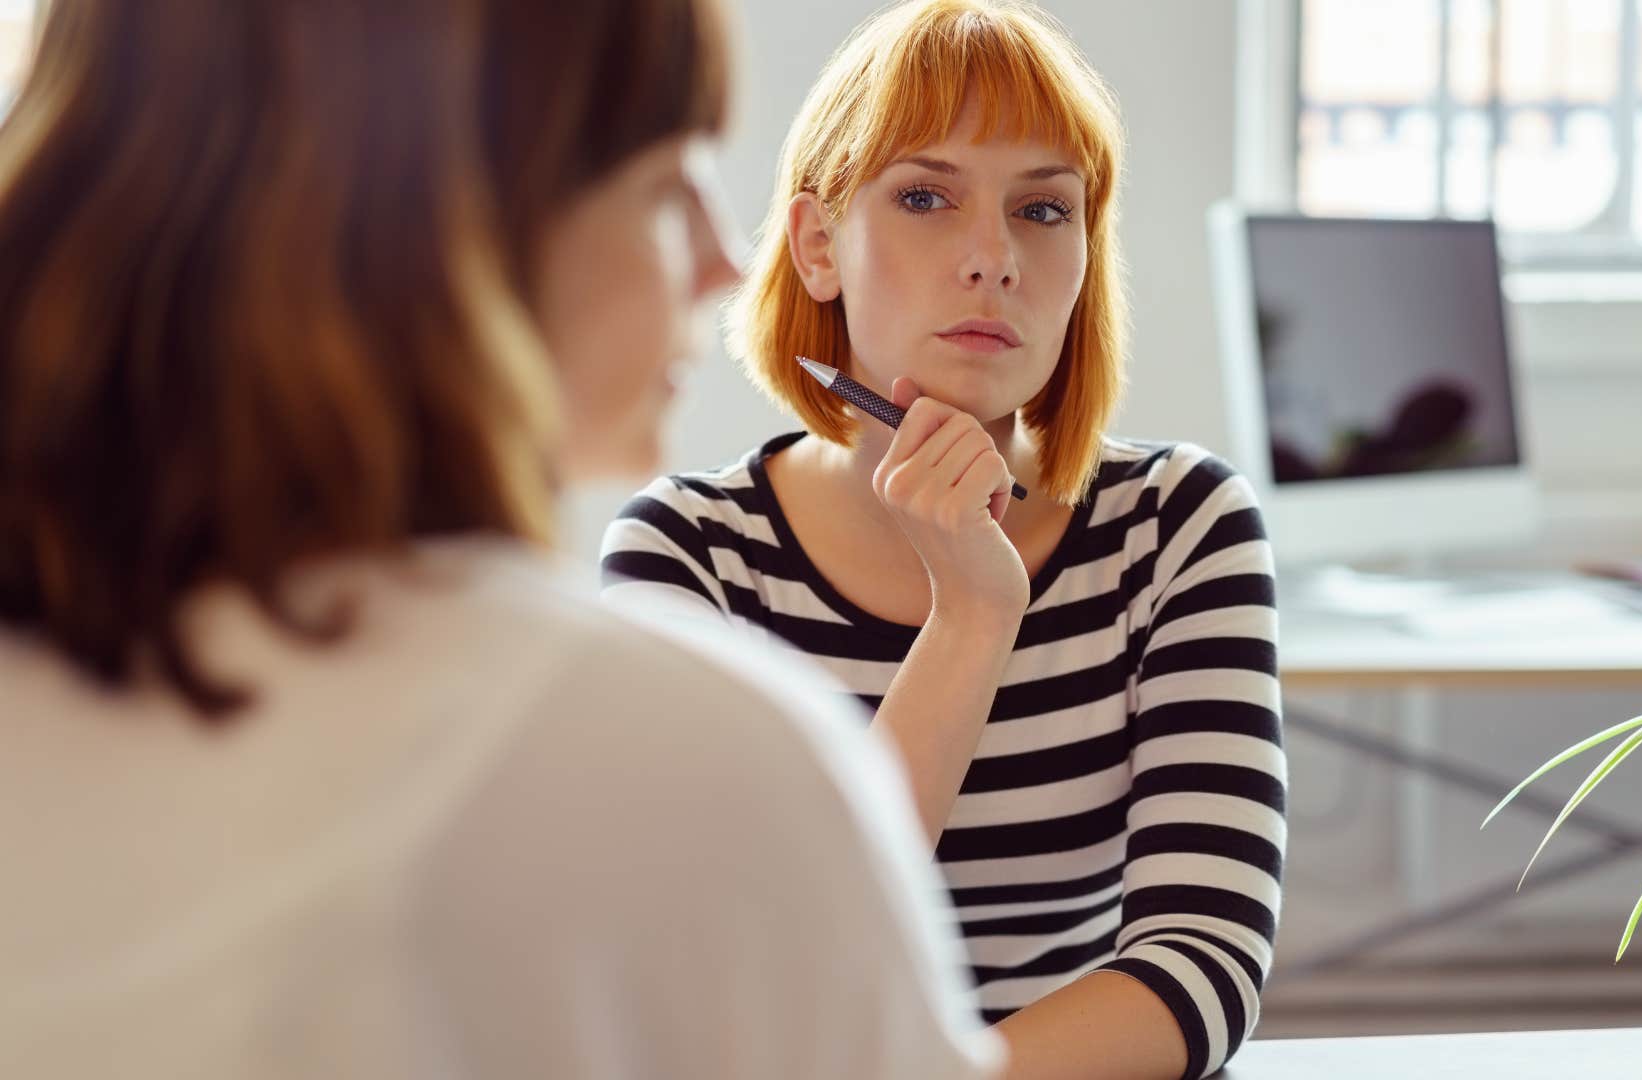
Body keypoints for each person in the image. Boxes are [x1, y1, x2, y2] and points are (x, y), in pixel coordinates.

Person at [0, 2, 1004, 1078]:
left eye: (1047, 211)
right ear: (445, 227)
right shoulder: (687, 754)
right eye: (667, 184)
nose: (722, 261)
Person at [600, 2, 1286, 1076]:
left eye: (1045, 211)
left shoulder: (1178, 524)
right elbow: (755, 977)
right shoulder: (689, 558)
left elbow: (1202, 968)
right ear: (819, 245)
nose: (993, 258)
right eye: (925, 197)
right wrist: (970, 620)